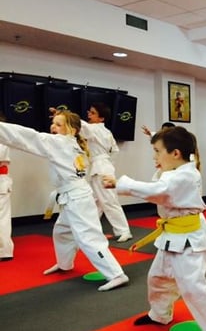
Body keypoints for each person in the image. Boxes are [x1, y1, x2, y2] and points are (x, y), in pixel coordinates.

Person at [103, 126, 206, 331]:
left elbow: (159, 190)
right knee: (158, 278)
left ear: (175, 154)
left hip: (189, 241)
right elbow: (160, 186)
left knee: (193, 287)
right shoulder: (175, 173)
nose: (155, 157)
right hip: (170, 237)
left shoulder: (186, 175)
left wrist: (120, 183)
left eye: (157, 152)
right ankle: (160, 314)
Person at [0, 111, 129, 291]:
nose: (54, 127)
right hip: (73, 196)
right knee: (62, 232)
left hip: (77, 198)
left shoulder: (60, 142)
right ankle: (64, 264)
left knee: (88, 238)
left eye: (59, 124)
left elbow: (25, 137)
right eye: (53, 123)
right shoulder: (73, 144)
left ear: (73, 130)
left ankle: (116, 274)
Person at [142, 123, 206, 252]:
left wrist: (121, 185)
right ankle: (205, 241)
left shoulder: (187, 162)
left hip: (187, 190)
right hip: (178, 191)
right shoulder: (171, 158)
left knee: (194, 215)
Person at [83, 103, 132, 242]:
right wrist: (109, 164)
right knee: (95, 203)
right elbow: (115, 151)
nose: (89, 115)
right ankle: (92, 232)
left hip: (101, 169)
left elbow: (79, 125)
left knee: (109, 201)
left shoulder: (94, 129)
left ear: (101, 118)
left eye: (92, 113)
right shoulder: (106, 132)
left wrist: (64, 116)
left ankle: (123, 230)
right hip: (102, 167)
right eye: (89, 112)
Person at [0, 139, 14, 262]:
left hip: (1, 181)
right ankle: (4, 250)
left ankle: (4, 250)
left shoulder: (2, 141)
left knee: (2, 218)